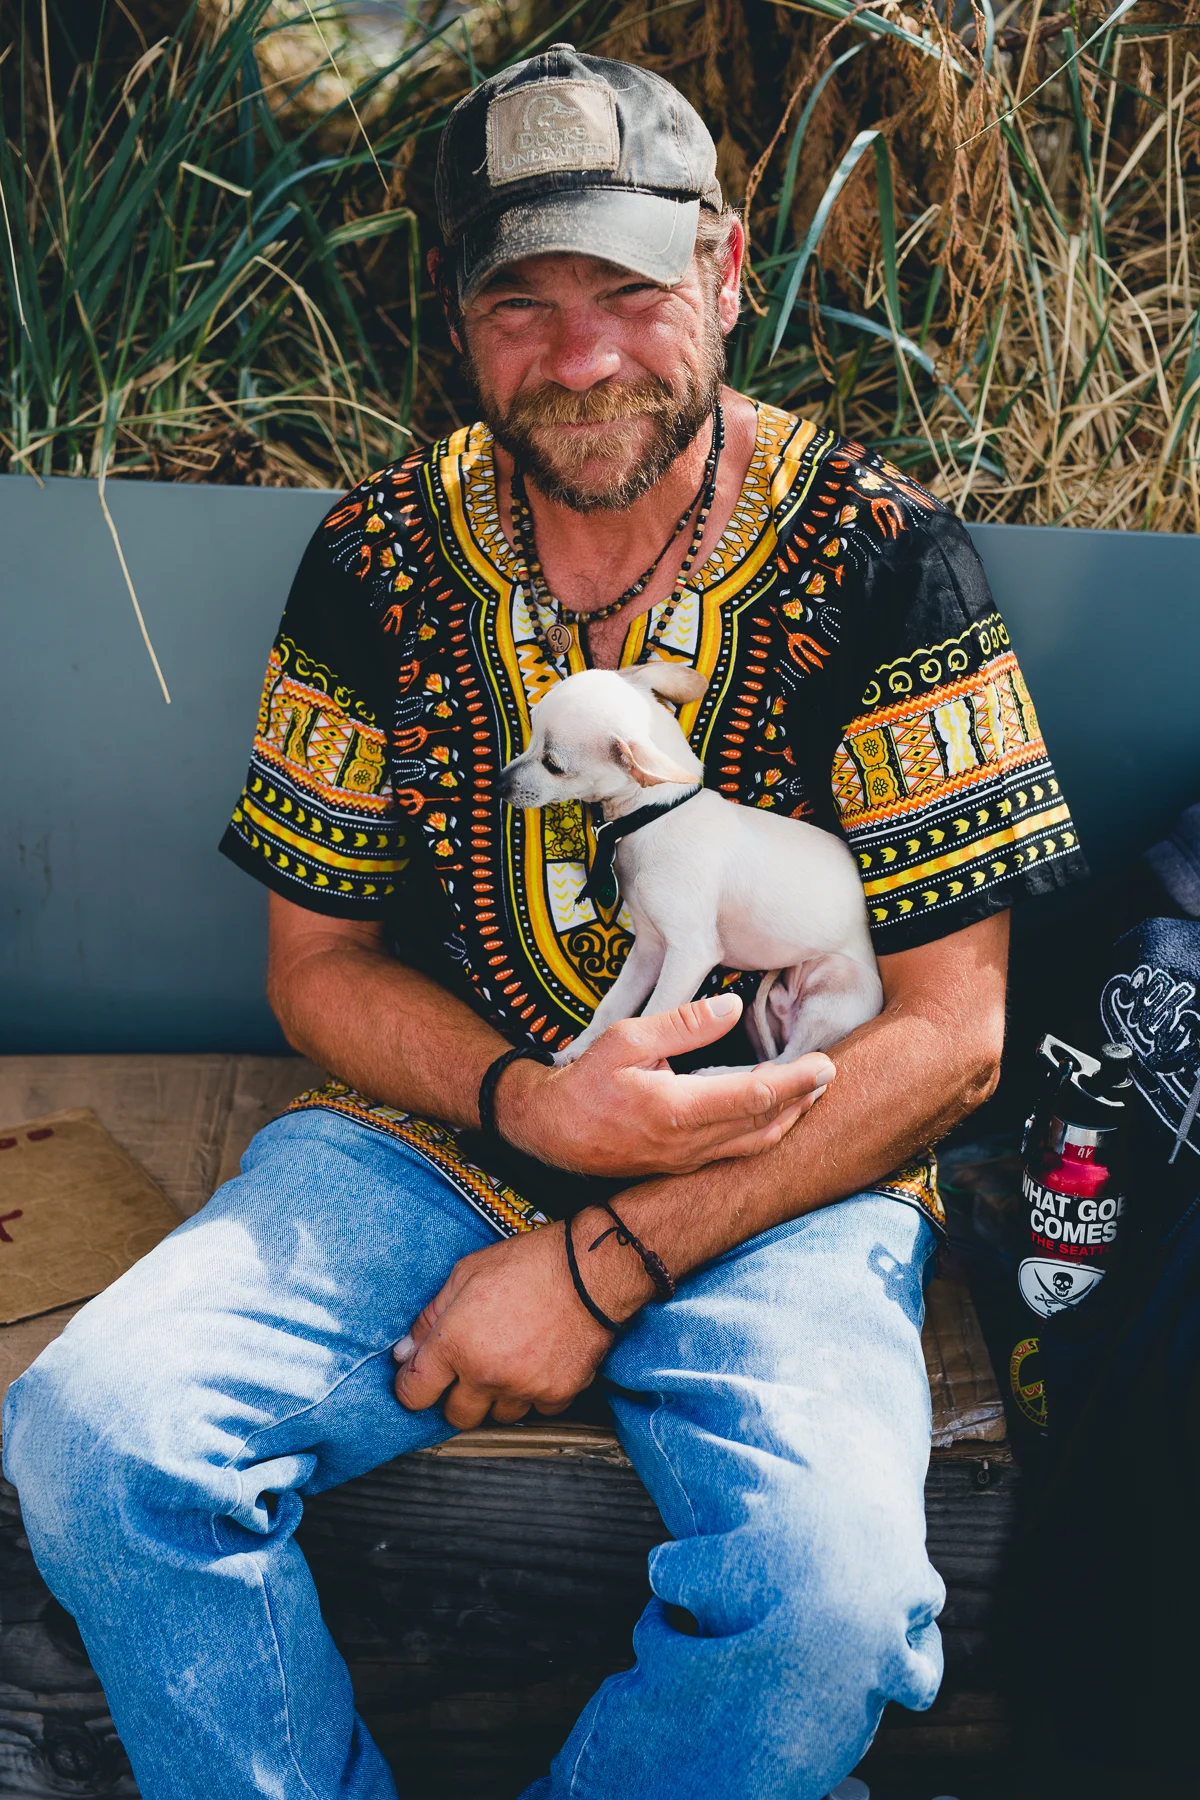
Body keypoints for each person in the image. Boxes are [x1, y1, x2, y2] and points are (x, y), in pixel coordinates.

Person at [3, 44, 1087, 1800]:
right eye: (521, 299)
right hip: (431, 1139)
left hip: (791, 1167)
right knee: (96, 1437)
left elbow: (954, 1037)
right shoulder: (374, 562)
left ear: (727, 274)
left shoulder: (892, 558)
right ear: (457, 315)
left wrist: (609, 1256)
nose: (579, 356)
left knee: (830, 1596)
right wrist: (530, 1108)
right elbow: (318, 968)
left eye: (630, 292)